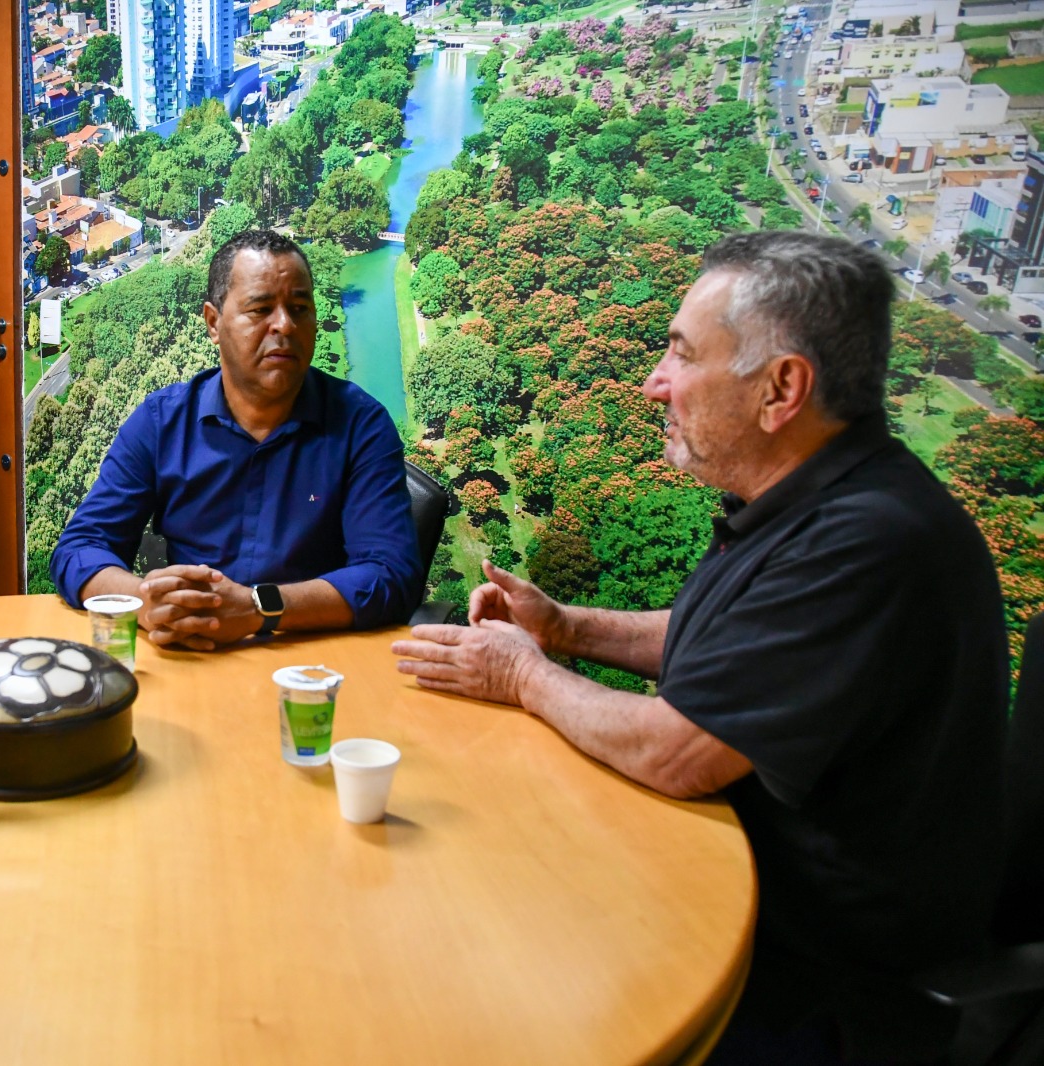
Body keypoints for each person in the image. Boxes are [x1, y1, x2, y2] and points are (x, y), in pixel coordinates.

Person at [392, 231, 1009, 1063]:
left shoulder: (869, 542)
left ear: (781, 388)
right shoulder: (815, 501)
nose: (656, 384)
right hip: (728, 896)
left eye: (682, 355)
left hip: (806, 983)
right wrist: (566, 626)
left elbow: (683, 753)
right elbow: (728, 645)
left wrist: (519, 673)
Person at [50, 229, 423, 650]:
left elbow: (389, 575)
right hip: (191, 659)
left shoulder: (360, 425)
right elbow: (80, 548)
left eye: (300, 308)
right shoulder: (162, 422)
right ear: (214, 323)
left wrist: (257, 608)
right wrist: (145, 601)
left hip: (313, 665)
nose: (284, 324)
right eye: (261, 308)